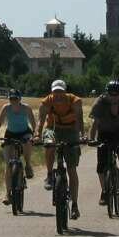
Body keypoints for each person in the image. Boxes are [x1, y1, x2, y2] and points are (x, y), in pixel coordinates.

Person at [35, 79, 84, 219]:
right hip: (53, 129)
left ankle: (74, 205)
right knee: (49, 144)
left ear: (65, 91)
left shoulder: (75, 101)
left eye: (60, 92)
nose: (58, 95)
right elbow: (41, 120)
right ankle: (50, 174)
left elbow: (79, 119)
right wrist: (37, 134)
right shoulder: (46, 102)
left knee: (72, 169)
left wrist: (82, 135)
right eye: (55, 92)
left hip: (71, 130)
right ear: (52, 92)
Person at [88, 80, 119, 206]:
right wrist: (91, 139)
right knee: (101, 165)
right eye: (111, 94)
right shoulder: (100, 102)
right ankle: (104, 191)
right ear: (107, 93)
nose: (114, 97)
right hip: (104, 132)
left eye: (117, 94)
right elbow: (95, 123)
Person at [0, 89, 37, 205]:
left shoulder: (26, 108)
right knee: (8, 165)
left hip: (24, 132)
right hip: (10, 133)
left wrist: (35, 134)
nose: (13, 100)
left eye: (15, 98)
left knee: (28, 142)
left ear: (20, 98)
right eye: (11, 98)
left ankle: (28, 165)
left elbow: (33, 122)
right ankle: (7, 194)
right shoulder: (6, 108)